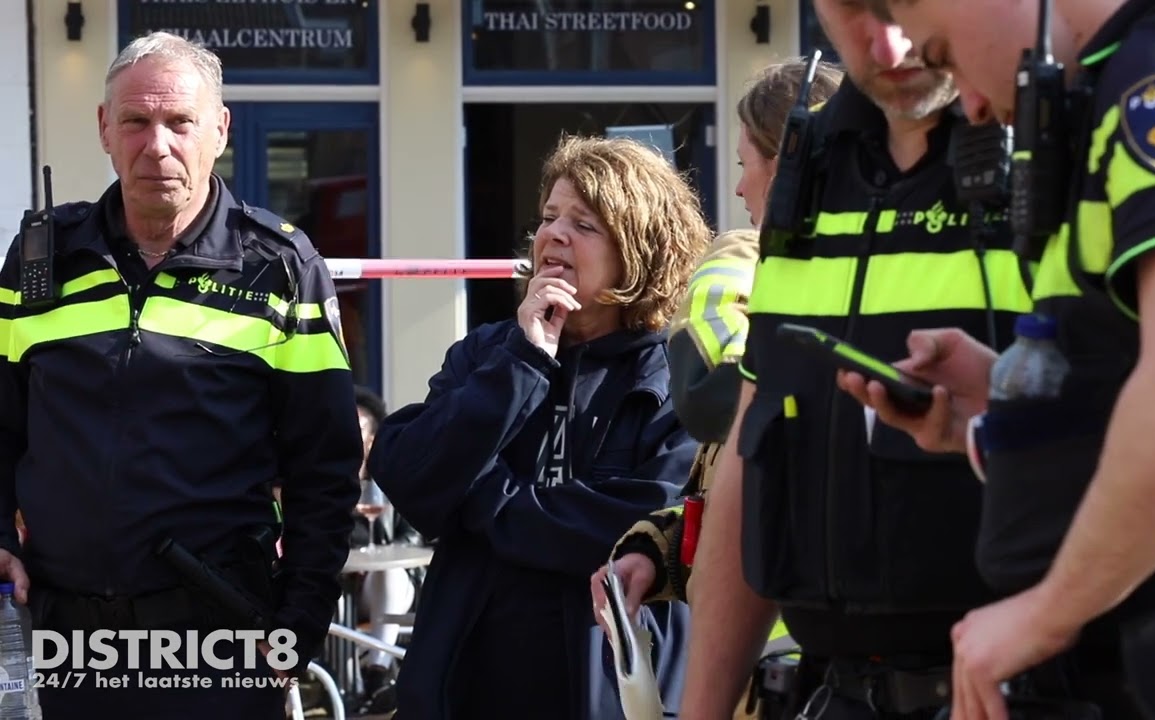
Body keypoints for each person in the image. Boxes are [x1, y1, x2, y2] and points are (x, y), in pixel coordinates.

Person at [840, 0, 1155, 717]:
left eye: (945, 53)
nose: (973, 106)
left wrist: (1046, 613)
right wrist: (1000, 416)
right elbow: (1153, 373)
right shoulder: (1143, 72)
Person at [677, 1, 1034, 718]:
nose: (889, 40)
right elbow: (753, 464)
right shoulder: (808, 180)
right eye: (853, 8)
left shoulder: (1054, 152)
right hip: (833, 693)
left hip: (1017, 691)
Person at [0, 31, 361, 720]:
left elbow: (327, 466)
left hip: (217, 642)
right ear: (105, 128)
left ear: (219, 129)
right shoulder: (40, 262)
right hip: (66, 641)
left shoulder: (279, 268)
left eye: (179, 123)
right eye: (136, 122)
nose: (157, 145)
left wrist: (300, 626)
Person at [367, 134, 708, 719]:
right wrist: (521, 365)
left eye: (584, 223)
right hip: (465, 691)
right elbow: (410, 474)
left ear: (640, 249)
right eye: (549, 217)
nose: (554, 234)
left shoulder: (678, 373)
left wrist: (485, 502)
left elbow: (642, 519)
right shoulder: (489, 353)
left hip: (611, 693)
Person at [588, 58, 843, 719]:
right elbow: (730, 485)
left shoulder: (749, 261)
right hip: (781, 675)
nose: (736, 188)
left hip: (815, 666)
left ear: (788, 167)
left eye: (745, 163)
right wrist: (656, 549)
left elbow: (709, 401)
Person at [349, 385, 419, 715]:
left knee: (389, 575)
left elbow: (413, 534)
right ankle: (332, 681)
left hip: (387, 585)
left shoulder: (390, 479)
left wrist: (383, 554)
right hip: (345, 585)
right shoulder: (325, 482)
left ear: (373, 438)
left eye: (358, 427)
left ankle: (376, 673)